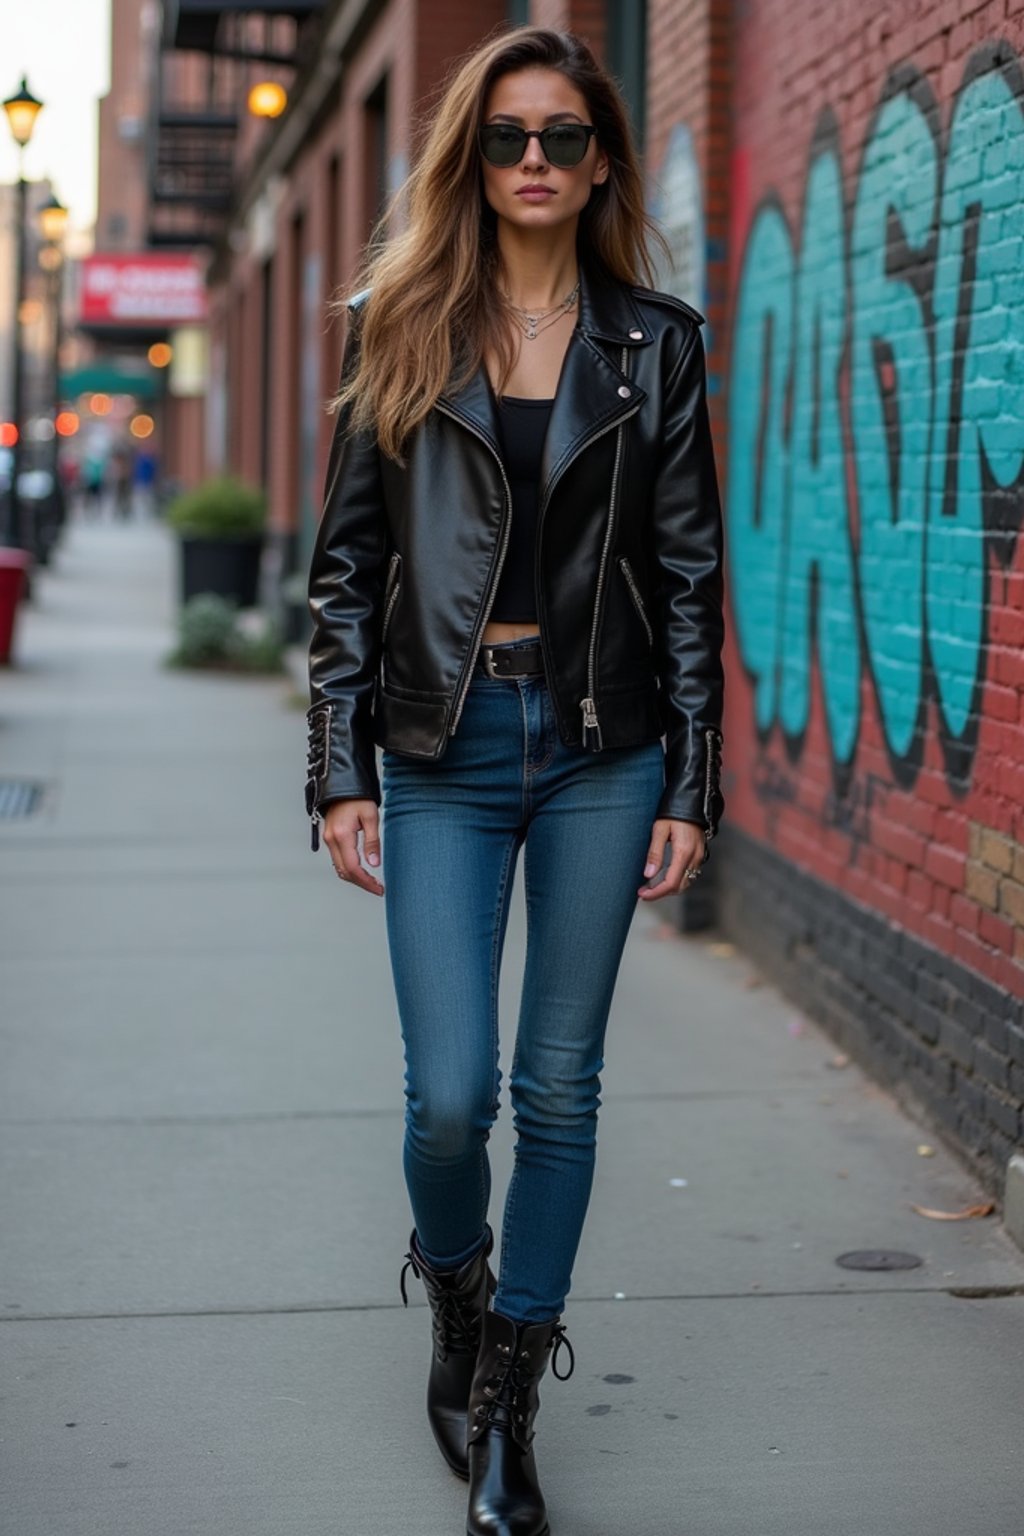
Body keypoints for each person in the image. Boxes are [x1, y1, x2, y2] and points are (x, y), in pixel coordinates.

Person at [306, 26, 724, 1536]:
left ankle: (506, 1397)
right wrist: (335, 769)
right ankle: (461, 1289)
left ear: (599, 159)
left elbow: (689, 578)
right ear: (469, 162)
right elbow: (347, 569)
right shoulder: (396, 324)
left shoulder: (656, 342)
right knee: (449, 1098)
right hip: (444, 747)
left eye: (560, 137)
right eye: (506, 138)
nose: (533, 161)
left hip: (607, 751)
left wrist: (692, 784)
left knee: (557, 1086)